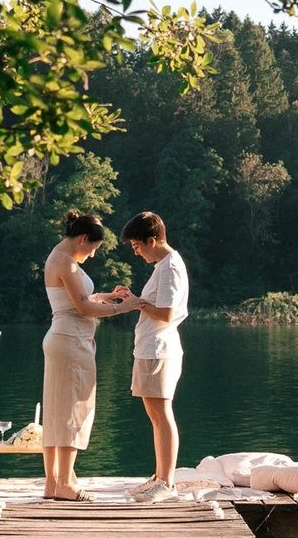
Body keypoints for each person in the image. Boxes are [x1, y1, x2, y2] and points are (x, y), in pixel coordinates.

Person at [38, 211, 132, 501]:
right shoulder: (66, 261)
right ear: (82, 238)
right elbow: (83, 308)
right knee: (73, 410)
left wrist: (107, 297)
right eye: (92, 249)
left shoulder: (59, 257)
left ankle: (53, 483)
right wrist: (127, 307)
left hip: (64, 339)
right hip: (70, 341)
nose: (91, 255)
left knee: (56, 412)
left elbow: (80, 300)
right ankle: (65, 484)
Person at [119, 211, 190, 503]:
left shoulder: (171, 266)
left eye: (137, 246)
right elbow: (156, 306)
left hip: (160, 349)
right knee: (155, 416)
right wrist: (135, 299)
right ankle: (159, 477)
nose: (136, 252)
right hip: (150, 349)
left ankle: (167, 482)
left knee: (162, 415)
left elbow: (168, 313)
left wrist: (136, 302)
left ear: (152, 240)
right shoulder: (162, 265)